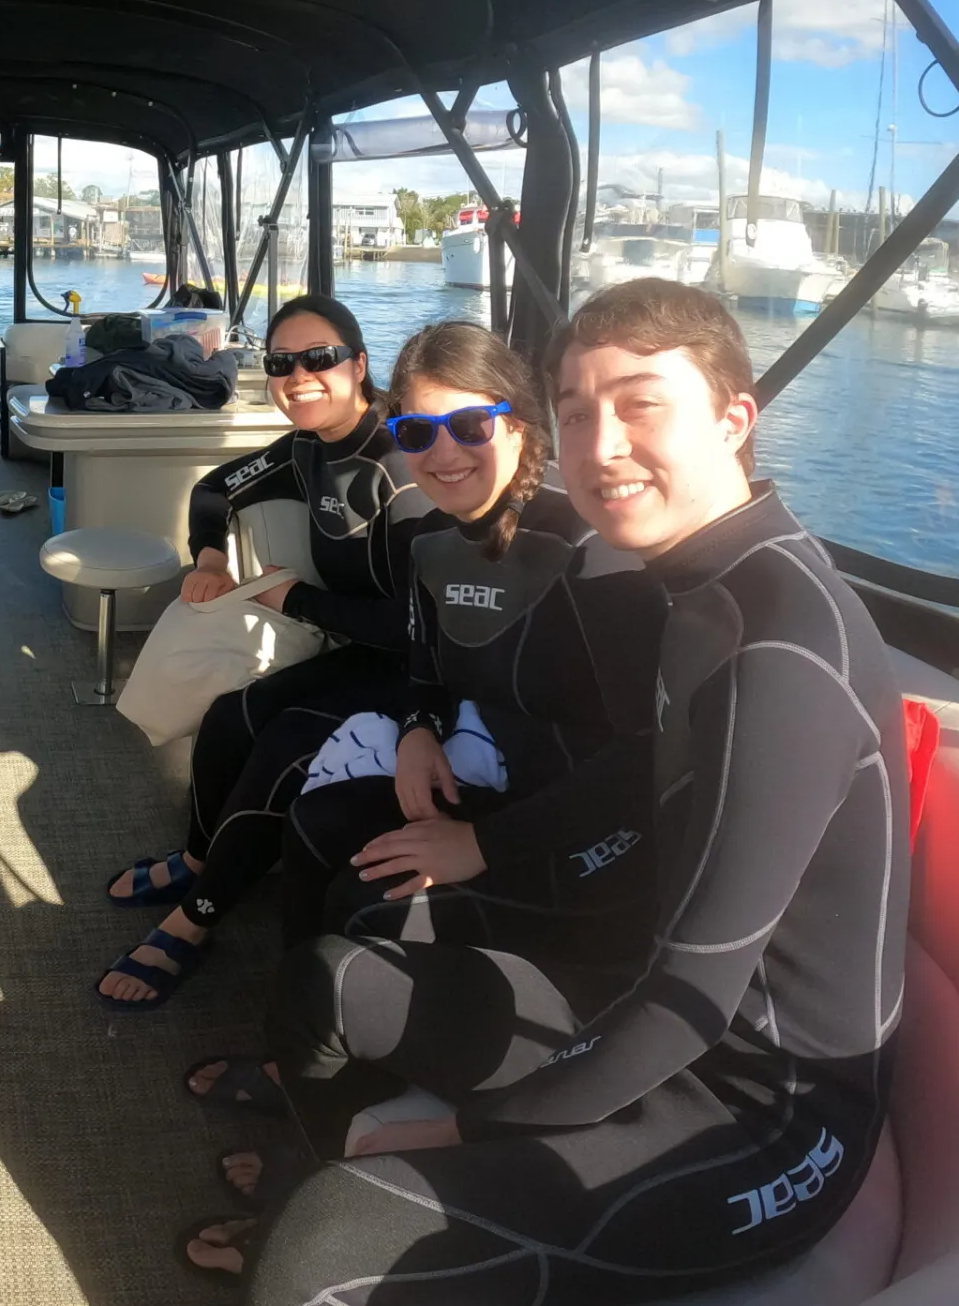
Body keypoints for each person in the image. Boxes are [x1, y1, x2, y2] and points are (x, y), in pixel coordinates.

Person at [184, 280, 909, 1302]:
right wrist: (427, 731)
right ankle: (335, 1168)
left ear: (735, 418)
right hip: (628, 990)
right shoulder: (694, 589)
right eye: (578, 412)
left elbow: (692, 1001)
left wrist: (460, 1133)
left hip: (759, 1110)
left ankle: (342, 1191)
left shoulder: (782, 650)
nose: (601, 446)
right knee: (324, 985)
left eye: (641, 404)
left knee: (310, 1259)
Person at [195, 320, 663, 1203]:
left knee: (363, 899)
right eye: (416, 431)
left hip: (580, 845)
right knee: (317, 822)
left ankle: (329, 1159)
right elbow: (423, 668)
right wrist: (415, 730)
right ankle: (306, 1067)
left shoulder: (592, 555)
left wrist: (481, 847)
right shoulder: (436, 544)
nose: (442, 454)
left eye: (470, 425)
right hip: (489, 789)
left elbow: (643, 760)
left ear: (518, 422)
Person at [97, 293, 433, 1006]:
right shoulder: (307, 449)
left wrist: (294, 600)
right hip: (363, 649)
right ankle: (199, 858)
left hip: (424, 672)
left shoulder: (400, 461)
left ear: (359, 365)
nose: (298, 377)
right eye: (281, 363)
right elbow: (215, 490)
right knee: (232, 715)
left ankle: (195, 919)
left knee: (282, 743)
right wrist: (210, 557)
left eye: (320, 359)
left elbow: (418, 625)